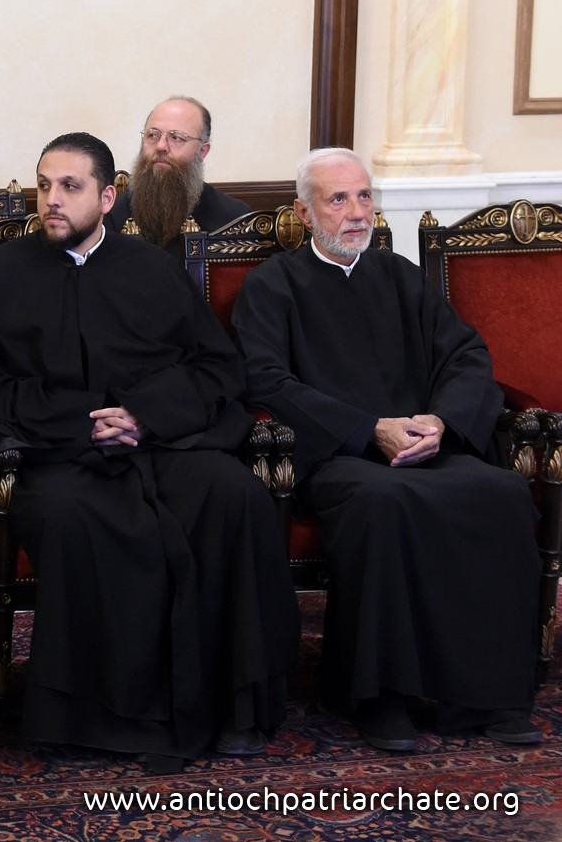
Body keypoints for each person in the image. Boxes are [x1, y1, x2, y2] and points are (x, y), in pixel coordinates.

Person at [0, 132, 298, 774]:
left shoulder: (152, 268)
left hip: (161, 440)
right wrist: (83, 421)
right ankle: (102, 717)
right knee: (76, 516)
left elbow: (217, 369)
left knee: (233, 496)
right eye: (44, 185)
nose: (52, 200)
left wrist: (144, 415)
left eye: (69, 187)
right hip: (56, 452)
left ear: (107, 198)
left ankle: (231, 706)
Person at [231, 147, 541, 751]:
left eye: (364, 196)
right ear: (304, 211)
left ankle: (486, 694)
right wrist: (369, 428)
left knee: (501, 492)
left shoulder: (399, 275)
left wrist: (442, 423)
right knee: (385, 502)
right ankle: (381, 697)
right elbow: (264, 381)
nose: (357, 213)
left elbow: (465, 354)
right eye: (338, 199)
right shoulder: (272, 285)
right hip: (337, 456)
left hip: (424, 446)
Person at [105, 95, 251, 253]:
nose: (161, 146)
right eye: (152, 135)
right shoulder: (109, 216)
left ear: (202, 151)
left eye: (176, 138)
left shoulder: (234, 221)